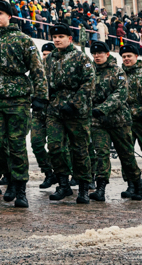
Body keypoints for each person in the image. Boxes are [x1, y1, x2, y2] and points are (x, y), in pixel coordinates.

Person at [0, 0, 47, 200]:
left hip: (18, 101)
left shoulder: (23, 40)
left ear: (9, 16)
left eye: (0, 13)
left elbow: (37, 70)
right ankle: (8, 175)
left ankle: (20, 187)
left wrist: (40, 96)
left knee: (16, 145)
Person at [45, 23, 95, 203]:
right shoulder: (49, 59)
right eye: (54, 37)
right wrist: (40, 99)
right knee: (55, 147)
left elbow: (89, 82)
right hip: (55, 111)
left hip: (77, 112)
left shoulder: (81, 58)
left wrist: (74, 103)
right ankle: (63, 185)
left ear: (69, 38)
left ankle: (83, 189)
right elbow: (43, 82)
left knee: (79, 150)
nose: (57, 40)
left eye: (61, 37)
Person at [89, 40, 141, 202]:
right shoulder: (89, 72)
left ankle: (137, 183)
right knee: (101, 154)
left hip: (119, 121)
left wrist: (102, 108)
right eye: (94, 53)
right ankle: (101, 188)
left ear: (107, 54)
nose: (97, 56)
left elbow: (120, 94)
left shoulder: (118, 71)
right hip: (98, 122)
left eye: (100, 53)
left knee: (126, 155)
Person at [121, 42, 142, 199]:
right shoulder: (119, 74)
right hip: (124, 120)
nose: (126, 59)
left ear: (136, 56)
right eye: (124, 56)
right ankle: (133, 185)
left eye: (129, 56)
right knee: (126, 155)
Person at [34, 42, 58, 190]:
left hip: (55, 112)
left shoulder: (59, 69)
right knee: (36, 143)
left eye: (49, 54)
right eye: (44, 54)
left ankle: (64, 177)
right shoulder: (36, 69)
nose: (46, 57)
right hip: (38, 113)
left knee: (57, 147)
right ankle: (49, 173)